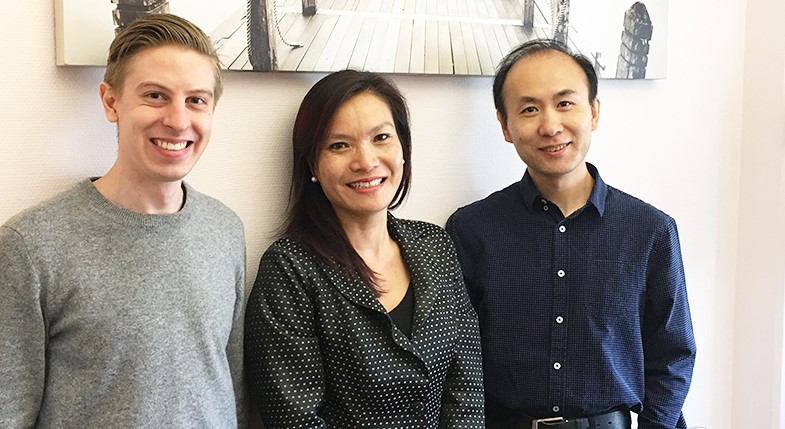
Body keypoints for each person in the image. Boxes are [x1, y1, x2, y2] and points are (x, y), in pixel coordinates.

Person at [0, 14, 247, 428]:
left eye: (196, 100)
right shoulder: (31, 245)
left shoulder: (226, 230)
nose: (178, 121)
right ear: (111, 102)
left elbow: (231, 388)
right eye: (155, 95)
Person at [446, 39, 696, 429]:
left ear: (593, 112)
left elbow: (673, 355)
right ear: (505, 126)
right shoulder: (472, 229)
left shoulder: (650, 230)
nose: (550, 126)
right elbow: (456, 359)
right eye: (529, 109)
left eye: (565, 103)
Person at [244, 69, 484, 428]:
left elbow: (466, 388)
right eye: (339, 145)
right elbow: (295, 419)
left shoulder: (435, 245)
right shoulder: (290, 270)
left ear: (403, 148)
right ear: (312, 164)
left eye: (381, 137)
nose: (366, 161)